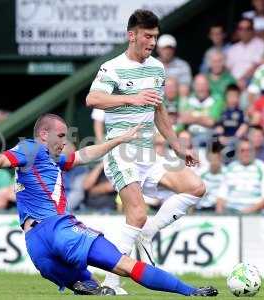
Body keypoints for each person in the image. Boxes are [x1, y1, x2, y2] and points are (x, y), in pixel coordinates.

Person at [0, 113, 218, 297]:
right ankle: (189, 291)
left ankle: (86, 284)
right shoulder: (32, 149)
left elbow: (84, 155)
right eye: (61, 135)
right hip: (59, 230)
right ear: (44, 134)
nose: (65, 141)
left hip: (37, 248)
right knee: (127, 266)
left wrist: (118, 140)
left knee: (92, 285)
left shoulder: (50, 158)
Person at [86, 10, 206, 294]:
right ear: (132, 35)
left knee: (196, 187)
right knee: (136, 215)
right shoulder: (112, 67)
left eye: (155, 36)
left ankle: (149, 232)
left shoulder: (157, 68)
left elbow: (159, 110)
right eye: (148, 36)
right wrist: (131, 97)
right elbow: (92, 98)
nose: (152, 42)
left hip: (147, 153)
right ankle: (111, 283)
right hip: (120, 150)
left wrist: (178, 147)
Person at [216, 138, 264, 213]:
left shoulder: (263, 168)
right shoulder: (230, 168)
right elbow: (221, 196)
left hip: (255, 214)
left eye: (248, 150)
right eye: (242, 150)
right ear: (237, 152)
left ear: (254, 151)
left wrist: (247, 212)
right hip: (231, 213)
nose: (245, 154)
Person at [226, 18, 264, 89]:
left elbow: (257, 66)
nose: (244, 31)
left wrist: (243, 79)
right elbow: (228, 69)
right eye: (241, 29)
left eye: (247, 29)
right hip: (233, 83)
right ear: (237, 31)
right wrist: (234, 81)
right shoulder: (233, 49)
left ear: (252, 30)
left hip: (251, 82)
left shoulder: (261, 45)